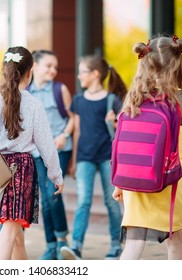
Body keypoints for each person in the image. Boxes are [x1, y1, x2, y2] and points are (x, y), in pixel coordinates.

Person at [0, 46, 65, 260]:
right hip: (20, 174)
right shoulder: (34, 104)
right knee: (8, 236)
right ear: (29, 72)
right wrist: (56, 175)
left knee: (16, 237)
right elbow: (46, 145)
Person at [112, 35, 182, 260]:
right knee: (175, 244)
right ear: (177, 66)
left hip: (134, 182)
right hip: (169, 183)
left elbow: (122, 143)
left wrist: (119, 183)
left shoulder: (133, 100)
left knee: (133, 246)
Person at [60, 54, 127, 260]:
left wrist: (114, 122)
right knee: (84, 202)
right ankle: (77, 246)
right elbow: (77, 131)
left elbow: (121, 131)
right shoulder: (79, 100)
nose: (79, 76)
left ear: (95, 74)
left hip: (108, 157)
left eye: (82, 72)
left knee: (111, 201)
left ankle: (116, 245)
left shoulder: (112, 100)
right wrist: (74, 161)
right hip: (85, 158)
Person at [28, 50, 74, 260]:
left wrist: (64, 134)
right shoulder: (25, 92)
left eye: (55, 67)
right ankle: (52, 245)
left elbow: (73, 119)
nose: (53, 70)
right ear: (35, 66)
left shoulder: (59, 89)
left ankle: (62, 241)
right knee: (45, 198)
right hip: (37, 152)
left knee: (53, 193)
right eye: (49, 66)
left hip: (59, 150)